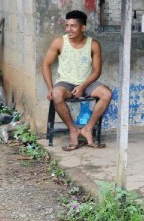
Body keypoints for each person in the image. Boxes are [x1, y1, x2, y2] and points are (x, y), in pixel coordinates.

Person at [41, 10, 112, 151]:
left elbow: (97, 71)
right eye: (67, 26)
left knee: (106, 94)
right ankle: (73, 130)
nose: (69, 29)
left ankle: (87, 129)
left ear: (83, 28)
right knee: (56, 94)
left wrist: (82, 86)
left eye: (73, 26)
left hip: (87, 83)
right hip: (65, 83)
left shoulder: (93, 45)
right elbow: (45, 64)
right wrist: (50, 88)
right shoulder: (59, 42)